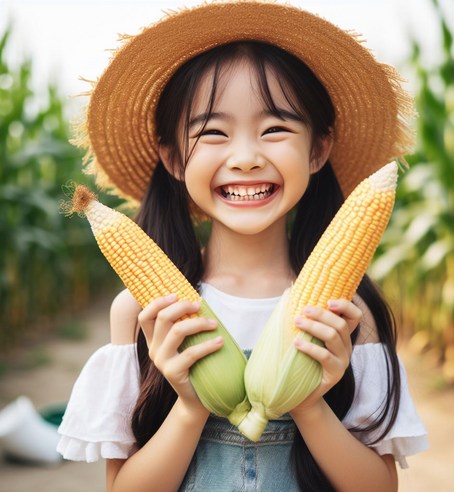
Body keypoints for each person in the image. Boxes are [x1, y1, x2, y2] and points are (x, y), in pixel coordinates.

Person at [57, 2, 428, 490]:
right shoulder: (142, 313)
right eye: (212, 132)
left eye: (275, 129)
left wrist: (311, 406)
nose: (247, 158)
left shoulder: (349, 315)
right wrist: (190, 406)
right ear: (172, 157)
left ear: (318, 149)